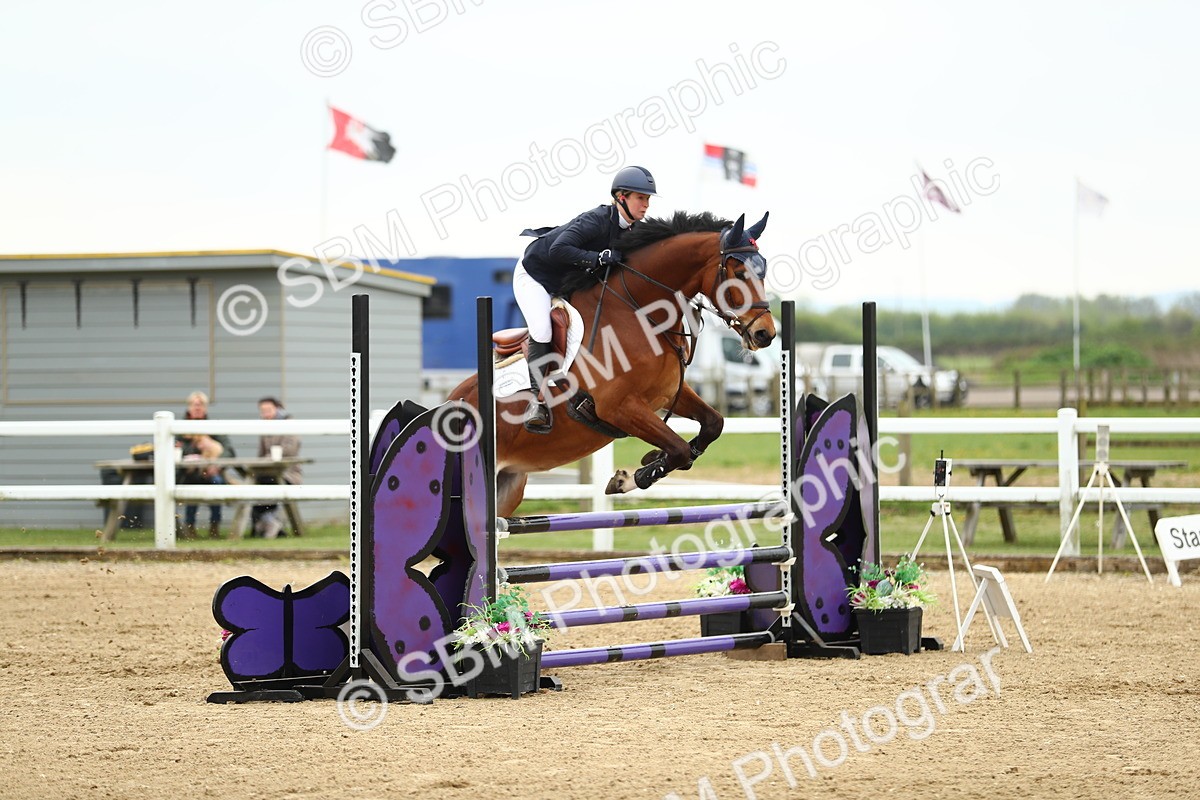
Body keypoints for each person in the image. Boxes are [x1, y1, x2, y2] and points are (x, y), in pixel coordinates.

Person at [513, 165, 657, 434]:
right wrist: (598, 258)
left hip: (569, 281)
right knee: (543, 329)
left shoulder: (634, 231)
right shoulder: (596, 220)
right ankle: (537, 402)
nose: (646, 205)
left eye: (648, 199)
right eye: (641, 198)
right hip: (535, 275)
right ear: (621, 197)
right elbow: (558, 249)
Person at [178, 391, 233, 539]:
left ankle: (214, 526)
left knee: (217, 485)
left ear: (206, 408)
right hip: (188, 473)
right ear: (189, 407)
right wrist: (196, 448)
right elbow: (176, 450)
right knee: (191, 489)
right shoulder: (179, 428)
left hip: (212, 471)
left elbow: (228, 450)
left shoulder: (214, 427)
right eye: (194, 405)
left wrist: (216, 465)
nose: (197, 408)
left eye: (201, 404)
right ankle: (189, 527)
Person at [251, 396, 302, 539]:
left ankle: (268, 523)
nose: (265, 414)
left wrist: (270, 456)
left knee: (269, 485)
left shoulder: (288, 423)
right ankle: (269, 524)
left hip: (288, 472)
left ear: (277, 409)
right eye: (263, 411)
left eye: (268, 410)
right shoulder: (264, 427)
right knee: (257, 485)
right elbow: (261, 453)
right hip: (268, 471)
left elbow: (290, 449)